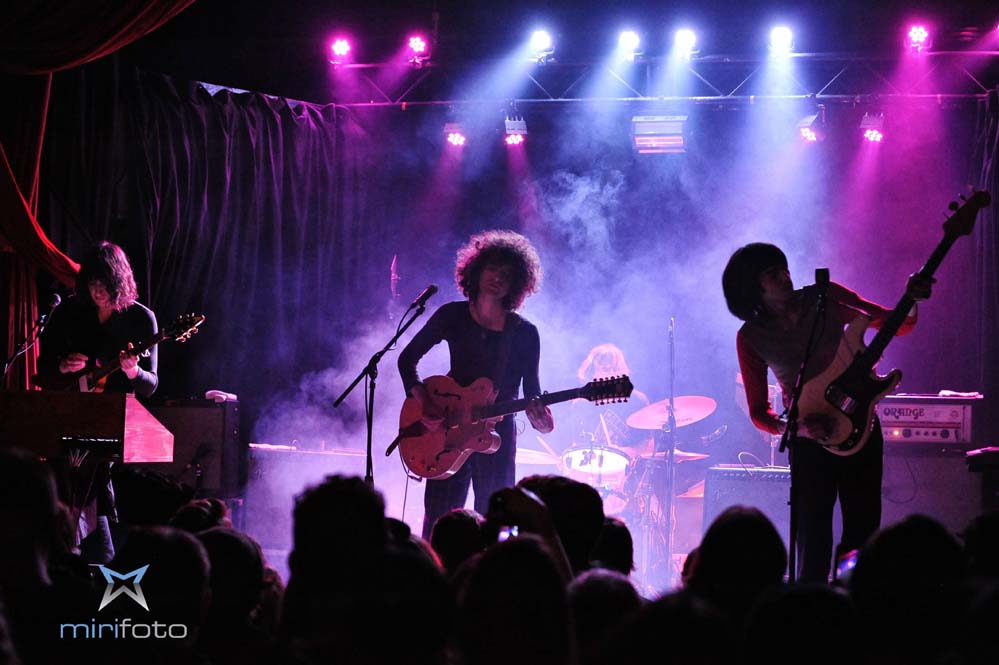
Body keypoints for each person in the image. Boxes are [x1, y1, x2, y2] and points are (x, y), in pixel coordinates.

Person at [722, 242, 932, 583]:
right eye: (773, 274)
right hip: (809, 445)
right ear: (753, 288)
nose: (786, 277)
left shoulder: (824, 298)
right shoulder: (751, 337)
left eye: (785, 269)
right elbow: (759, 412)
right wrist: (800, 428)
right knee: (812, 535)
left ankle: (855, 601)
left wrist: (913, 302)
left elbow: (895, 324)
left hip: (861, 428)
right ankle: (811, 609)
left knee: (863, 531)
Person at [398, 230, 554, 538]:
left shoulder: (524, 333)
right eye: (493, 268)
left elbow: (531, 393)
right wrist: (425, 404)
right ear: (477, 269)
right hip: (447, 426)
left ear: (517, 284)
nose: (497, 277)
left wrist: (543, 420)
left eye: (506, 275)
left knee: (495, 520)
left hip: (497, 433)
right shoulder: (452, 315)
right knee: (440, 521)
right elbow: (407, 360)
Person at [35, 241, 159, 563]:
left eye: (104, 284)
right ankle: (82, 559)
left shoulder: (141, 320)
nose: (97, 292)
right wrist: (62, 366)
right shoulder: (70, 312)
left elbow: (151, 386)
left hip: (112, 425)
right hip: (69, 417)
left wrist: (133, 371)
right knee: (71, 482)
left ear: (119, 282)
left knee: (92, 480)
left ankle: (92, 560)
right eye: (91, 284)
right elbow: (42, 369)